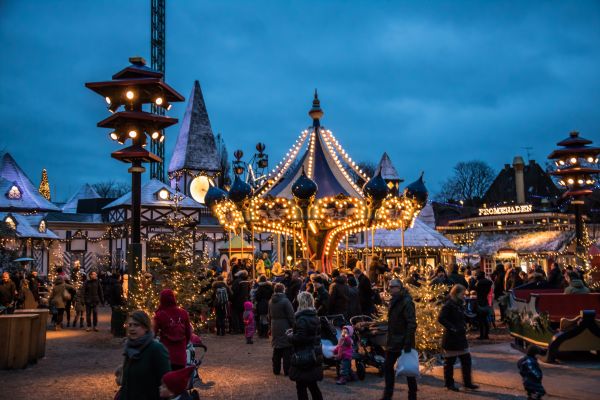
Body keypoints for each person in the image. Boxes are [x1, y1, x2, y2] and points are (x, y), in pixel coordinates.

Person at [119, 310, 171, 400]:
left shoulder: (156, 349)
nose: (131, 328)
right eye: (130, 325)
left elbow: (166, 382)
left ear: (146, 327)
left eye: (136, 325)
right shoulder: (129, 347)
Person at [380, 279, 417, 400]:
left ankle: (412, 395)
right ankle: (387, 395)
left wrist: (407, 341)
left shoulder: (406, 302)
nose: (389, 289)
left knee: (408, 369)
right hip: (393, 339)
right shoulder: (395, 300)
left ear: (399, 287)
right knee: (388, 366)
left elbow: (411, 323)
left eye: (392, 287)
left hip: (402, 340)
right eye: (389, 286)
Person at [438, 284, 478, 392]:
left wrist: (463, 324)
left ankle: (467, 382)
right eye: (462, 294)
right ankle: (449, 383)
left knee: (466, 359)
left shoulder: (459, 304)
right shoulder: (449, 304)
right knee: (450, 361)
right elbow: (441, 318)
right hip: (452, 337)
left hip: (459, 335)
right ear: (456, 293)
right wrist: (452, 327)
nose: (464, 296)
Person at [288, 291, 323, 400]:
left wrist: (290, 336)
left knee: (301, 386)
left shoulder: (302, 318)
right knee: (312, 385)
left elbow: (300, 338)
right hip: (313, 354)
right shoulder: (314, 316)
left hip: (303, 356)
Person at [153, 289, 192, 370]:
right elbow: (188, 333)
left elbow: (153, 334)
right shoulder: (183, 313)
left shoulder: (159, 315)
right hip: (180, 354)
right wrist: (184, 344)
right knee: (178, 380)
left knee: (166, 380)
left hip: (165, 354)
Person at [269, 283, 295, 376]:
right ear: (283, 290)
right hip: (285, 326)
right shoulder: (285, 301)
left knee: (276, 348)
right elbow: (291, 316)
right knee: (286, 348)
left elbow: (269, 315)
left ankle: (276, 369)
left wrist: (270, 327)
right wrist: (294, 326)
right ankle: (287, 370)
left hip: (274, 325)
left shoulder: (271, 301)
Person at [474, 271, 493, 340]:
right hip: (486, 301)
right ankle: (486, 335)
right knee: (485, 319)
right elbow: (490, 282)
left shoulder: (478, 283)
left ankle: (482, 335)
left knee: (481, 320)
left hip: (480, 301)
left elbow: (474, 288)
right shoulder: (488, 282)